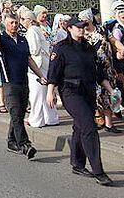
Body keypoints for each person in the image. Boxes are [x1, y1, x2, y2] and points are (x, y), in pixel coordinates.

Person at [45, 17, 113, 186]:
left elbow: (98, 72)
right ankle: (99, 171)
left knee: (80, 126)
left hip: (88, 91)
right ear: (69, 29)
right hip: (70, 92)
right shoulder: (61, 48)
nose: (81, 29)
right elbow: (53, 72)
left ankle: (77, 163)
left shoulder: (88, 47)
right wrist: (50, 92)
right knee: (89, 127)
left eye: (83, 27)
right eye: (78, 27)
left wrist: (112, 90)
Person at [0, 14, 49, 160]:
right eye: (11, 23)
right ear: (5, 24)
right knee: (16, 112)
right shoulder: (2, 38)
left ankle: (11, 141)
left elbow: (29, 59)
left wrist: (40, 75)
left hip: (23, 80)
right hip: (10, 81)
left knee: (19, 113)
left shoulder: (23, 39)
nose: (14, 25)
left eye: (16, 23)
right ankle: (25, 144)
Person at [22, 9, 58, 128]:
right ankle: (51, 118)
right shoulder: (37, 29)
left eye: (23, 19)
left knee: (36, 94)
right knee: (46, 92)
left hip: (37, 65)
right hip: (44, 64)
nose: (22, 22)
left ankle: (36, 119)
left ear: (30, 20)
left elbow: (34, 49)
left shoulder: (32, 30)